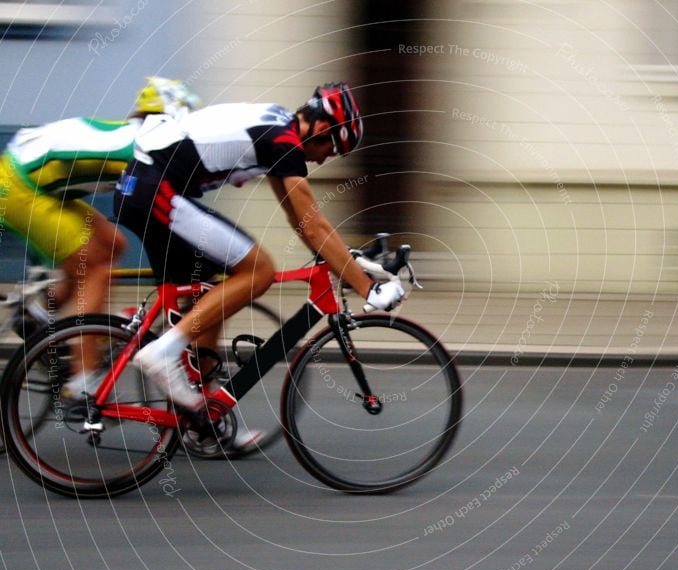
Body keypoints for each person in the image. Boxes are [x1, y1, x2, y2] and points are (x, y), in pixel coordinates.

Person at [114, 83, 404, 444]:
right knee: (258, 270)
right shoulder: (282, 140)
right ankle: (163, 353)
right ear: (320, 128)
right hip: (155, 190)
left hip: (145, 187)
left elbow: (300, 221)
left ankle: (203, 420)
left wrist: (349, 262)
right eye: (331, 147)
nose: (325, 158)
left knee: (209, 290)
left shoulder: (279, 131)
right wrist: (368, 288)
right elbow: (313, 226)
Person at [0, 76, 202, 394]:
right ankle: (82, 378)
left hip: (39, 183)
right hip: (19, 186)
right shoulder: (140, 149)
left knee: (113, 244)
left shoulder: (139, 137)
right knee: (94, 267)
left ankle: (45, 321)